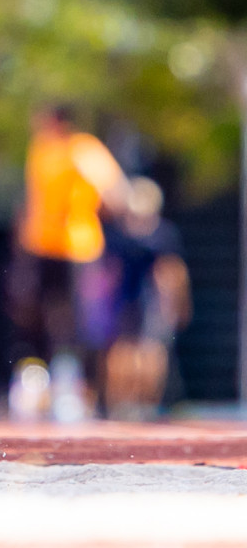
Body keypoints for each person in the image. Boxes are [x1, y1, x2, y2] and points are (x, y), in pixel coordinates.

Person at [12, 105, 130, 373]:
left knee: (78, 318)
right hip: (41, 246)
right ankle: (41, 376)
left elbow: (116, 191)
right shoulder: (41, 149)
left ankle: (79, 381)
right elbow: (32, 200)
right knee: (35, 314)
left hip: (77, 246)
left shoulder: (83, 149)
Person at [102, 177, 191, 420]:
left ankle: (142, 403)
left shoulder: (160, 235)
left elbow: (171, 271)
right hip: (128, 297)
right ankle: (124, 403)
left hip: (148, 297)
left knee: (149, 350)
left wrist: (177, 302)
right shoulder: (126, 236)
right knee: (126, 350)